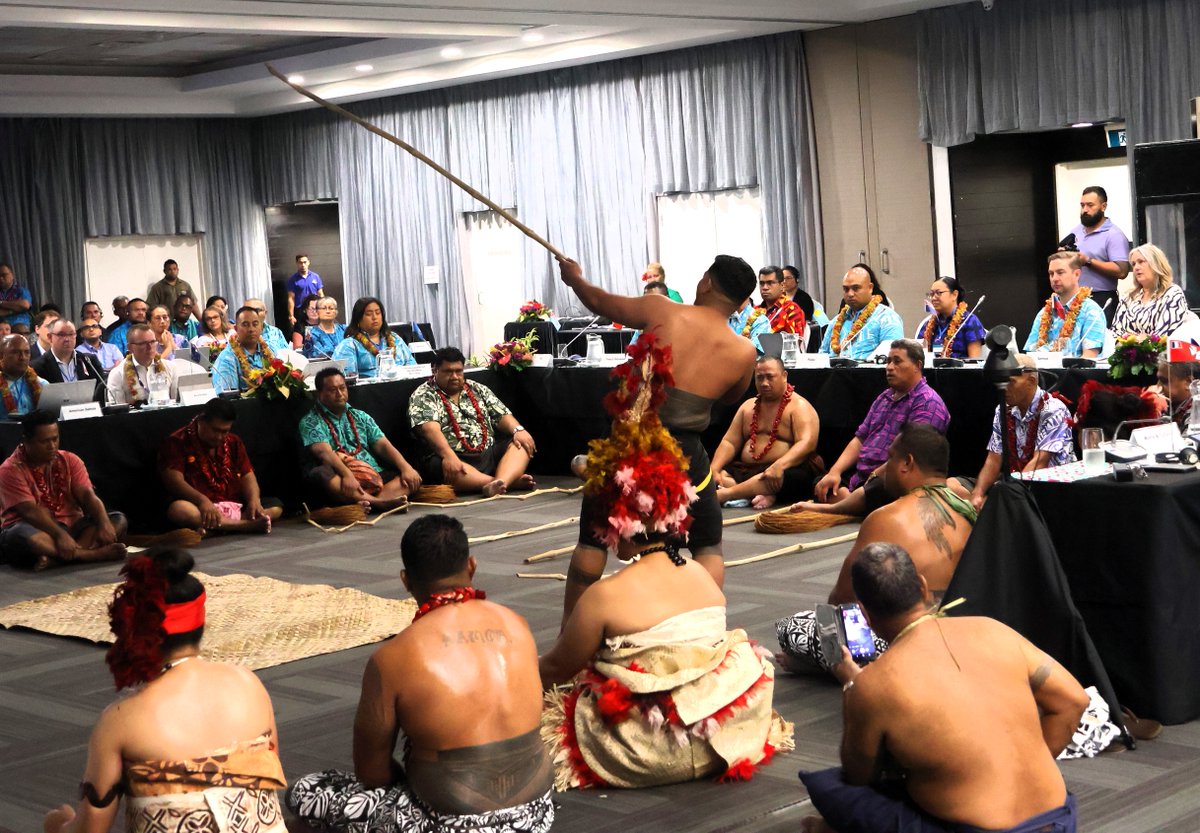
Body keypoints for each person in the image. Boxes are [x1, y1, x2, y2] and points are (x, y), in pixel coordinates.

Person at [538, 341, 791, 789]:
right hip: (716, 738)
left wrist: (515, 671)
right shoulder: (703, 581)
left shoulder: (603, 598)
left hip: (643, 745)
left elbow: (555, 670)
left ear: (618, 526)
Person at [287, 514, 554, 832]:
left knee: (305, 792)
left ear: (406, 580)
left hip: (445, 823)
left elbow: (371, 772)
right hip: (534, 814)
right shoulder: (518, 625)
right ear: (471, 566)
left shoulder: (393, 657)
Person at [797, 543, 1088, 833]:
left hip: (977, 830)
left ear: (864, 614)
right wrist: (1023, 766)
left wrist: (851, 684)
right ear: (923, 588)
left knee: (831, 787)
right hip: (1059, 820)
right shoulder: (994, 630)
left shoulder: (873, 684)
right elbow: (1074, 701)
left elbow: (860, 776)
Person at [556, 255, 757, 620]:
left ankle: (571, 629)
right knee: (708, 544)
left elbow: (600, 301)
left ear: (706, 282)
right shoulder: (744, 352)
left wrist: (575, 279)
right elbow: (730, 398)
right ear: (742, 301)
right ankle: (706, 626)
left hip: (629, 444)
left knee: (593, 539)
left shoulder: (663, 310)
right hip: (686, 456)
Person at [42, 548, 287, 833]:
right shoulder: (250, 684)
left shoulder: (121, 720)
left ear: (134, 635)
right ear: (200, 624)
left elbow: (90, 830)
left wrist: (57, 825)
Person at [777, 425, 976, 675]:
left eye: (890, 458)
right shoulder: (967, 510)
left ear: (907, 463)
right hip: (964, 636)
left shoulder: (886, 518)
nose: (883, 469)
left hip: (910, 644)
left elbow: (842, 599)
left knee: (793, 627)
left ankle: (842, 669)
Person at [805, 340, 949, 514]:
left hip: (892, 479)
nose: (889, 367)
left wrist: (875, 476)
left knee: (877, 489)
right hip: (863, 477)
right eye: (888, 361)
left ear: (917, 365)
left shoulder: (928, 403)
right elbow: (860, 438)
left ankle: (848, 502)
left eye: (897, 361)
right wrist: (834, 472)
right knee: (822, 482)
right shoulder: (885, 397)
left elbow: (910, 457)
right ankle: (851, 502)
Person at [0, 410, 127, 571]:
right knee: (19, 534)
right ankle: (91, 555)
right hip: (38, 529)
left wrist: (103, 522)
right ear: (26, 441)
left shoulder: (70, 459)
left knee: (117, 519)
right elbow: (31, 512)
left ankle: (61, 558)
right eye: (44, 441)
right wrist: (59, 535)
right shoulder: (10, 469)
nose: (52, 446)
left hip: (73, 529)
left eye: (55, 439)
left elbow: (87, 496)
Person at [408, 347, 534, 496]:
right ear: (435, 370)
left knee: (522, 443)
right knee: (440, 465)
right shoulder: (424, 394)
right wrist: (448, 455)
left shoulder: (476, 388)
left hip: (488, 453)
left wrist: (518, 429)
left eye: (458, 371)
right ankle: (505, 482)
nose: (454, 376)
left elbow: (501, 414)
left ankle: (501, 483)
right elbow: (430, 430)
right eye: (448, 372)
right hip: (454, 457)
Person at [300, 367, 421, 513]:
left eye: (342, 388)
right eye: (332, 390)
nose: (339, 394)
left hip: (372, 474)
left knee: (408, 479)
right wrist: (347, 475)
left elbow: (383, 445)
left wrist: (406, 468)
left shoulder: (360, 416)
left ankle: (369, 503)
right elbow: (324, 453)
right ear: (319, 393)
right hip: (341, 476)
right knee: (320, 474)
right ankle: (381, 504)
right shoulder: (310, 421)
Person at [966, 355, 1076, 509]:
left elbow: (1040, 462)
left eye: (1010, 382)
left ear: (1031, 381)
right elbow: (994, 458)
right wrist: (977, 494)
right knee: (953, 486)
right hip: (1016, 480)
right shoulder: (1003, 409)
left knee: (999, 498)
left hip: (1049, 488)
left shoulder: (1053, 410)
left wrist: (1008, 495)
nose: (1003, 388)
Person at [711, 355, 822, 509]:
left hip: (785, 470)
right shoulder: (747, 407)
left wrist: (780, 465)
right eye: (759, 378)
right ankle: (753, 492)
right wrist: (714, 469)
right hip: (748, 471)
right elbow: (729, 442)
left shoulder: (799, 406)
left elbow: (807, 443)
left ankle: (728, 494)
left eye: (770, 377)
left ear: (784, 376)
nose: (764, 383)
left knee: (780, 479)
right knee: (722, 476)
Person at [160, 398, 284, 535]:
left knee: (276, 506)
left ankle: (219, 528)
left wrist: (254, 501)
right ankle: (245, 526)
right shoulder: (177, 442)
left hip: (234, 505)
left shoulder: (233, 442)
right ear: (201, 422)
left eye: (225, 431)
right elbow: (174, 482)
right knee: (179, 509)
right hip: (199, 505)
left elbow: (247, 475)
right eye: (215, 430)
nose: (219, 437)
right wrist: (202, 501)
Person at [1064, 185, 1130, 317]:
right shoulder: (1076, 231)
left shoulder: (1114, 234)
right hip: (1075, 298)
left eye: (1090, 205)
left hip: (1101, 298)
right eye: (1082, 205)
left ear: (1103, 207)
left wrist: (1088, 261)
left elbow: (1122, 271)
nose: (1085, 210)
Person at [1023, 252, 1105, 358]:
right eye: (1051, 274)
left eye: (1060, 273)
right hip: (1042, 368)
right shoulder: (1043, 313)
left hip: (1076, 368)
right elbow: (1030, 356)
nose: (1054, 278)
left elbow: (1089, 359)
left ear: (1076, 274)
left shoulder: (1091, 311)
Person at [821, 264, 904, 359]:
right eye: (846, 289)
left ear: (870, 288)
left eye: (856, 288)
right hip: (832, 368)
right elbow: (822, 355)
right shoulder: (835, 322)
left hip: (869, 368)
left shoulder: (887, 318)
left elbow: (893, 359)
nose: (850, 294)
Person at [1111, 243, 1192, 339]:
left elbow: (1164, 336)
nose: (1136, 267)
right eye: (1133, 264)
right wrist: (1136, 340)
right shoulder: (1128, 297)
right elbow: (1115, 333)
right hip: (1126, 349)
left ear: (1156, 264)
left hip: (1161, 349)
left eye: (1141, 262)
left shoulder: (1172, 293)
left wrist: (1133, 339)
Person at [333, 296, 416, 377]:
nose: (375, 317)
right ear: (358, 319)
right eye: (369, 314)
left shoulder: (395, 338)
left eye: (378, 313)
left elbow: (412, 365)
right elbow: (348, 377)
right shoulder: (349, 345)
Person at [106, 323, 180, 406]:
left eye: (152, 342)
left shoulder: (171, 367)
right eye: (143, 344)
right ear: (130, 347)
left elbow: (177, 403)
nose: (150, 347)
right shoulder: (117, 374)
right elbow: (118, 409)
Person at [914, 276, 985, 359]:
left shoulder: (969, 321)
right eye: (932, 294)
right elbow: (919, 356)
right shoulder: (928, 324)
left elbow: (975, 362)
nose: (933, 298)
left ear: (954, 295)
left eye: (939, 293)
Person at [211, 306, 276, 393]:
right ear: (236, 329)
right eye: (245, 325)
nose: (251, 329)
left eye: (255, 324)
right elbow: (229, 397)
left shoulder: (270, 350)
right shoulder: (227, 358)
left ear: (261, 327)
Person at [31, 318, 105, 390]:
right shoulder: (37, 367)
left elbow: (102, 390)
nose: (67, 339)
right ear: (50, 337)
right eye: (61, 335)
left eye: (71, 334)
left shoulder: (89, 361)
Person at [0, 334, 48, 416]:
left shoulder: (43, 386)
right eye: (15, 352)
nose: (23, 357)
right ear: (1, 356)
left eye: (27, 352)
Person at [756, 265, 806, 334]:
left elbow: (795, 340)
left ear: (782, 285)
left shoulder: (791, 309)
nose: (765, 287)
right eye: (762, 283)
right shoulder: (755, 310)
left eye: (770, 283)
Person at [1158, 353, 1197, 433]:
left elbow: (1188, 441)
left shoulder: (1197, 410)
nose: (1158, 386)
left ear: (1188, 382)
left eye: (1164, 381)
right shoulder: (1166, 404)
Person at [286, 253, 324, 326]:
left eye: (305, 262)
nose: (303, 265)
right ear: (297, 264)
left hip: (315, 309)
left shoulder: (315, 277)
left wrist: (323, 309)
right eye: (300, 263)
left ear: (308, 262)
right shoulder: (293, 279)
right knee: (303, 330)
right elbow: (291, 298)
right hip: (300, 311)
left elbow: (321, 294)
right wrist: (291, 315)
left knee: (316, 329)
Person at [0, 261, 33, 333]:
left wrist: (1, 303)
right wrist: (16, 308)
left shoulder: (21, 290)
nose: (1, 278)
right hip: (1, 325)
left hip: (18, 323)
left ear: (12, 275)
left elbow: (25, 305)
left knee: (20, 329)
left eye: (4, 275)